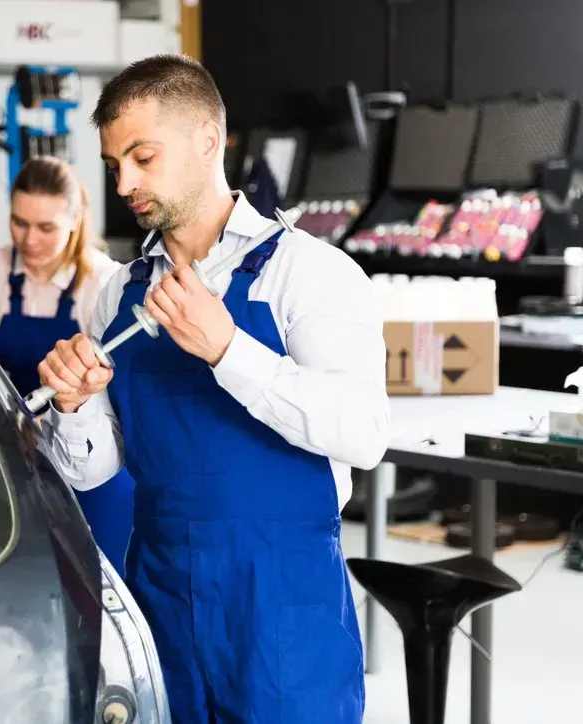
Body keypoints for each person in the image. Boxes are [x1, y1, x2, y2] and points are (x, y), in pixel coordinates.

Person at [37, 55, 390, 724]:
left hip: (281, 602)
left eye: (142, 157)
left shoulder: (308, 274)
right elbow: (94, 469)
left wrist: (229, 350)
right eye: (115, 165)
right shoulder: (118, 295)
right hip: (160, 588)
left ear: (206, 140)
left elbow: (364, 434)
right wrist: (72, 404)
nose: (125, 182)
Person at [0, 155, 136, 577]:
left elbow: (118, 394)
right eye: (19, 222)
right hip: (7, 460)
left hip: (89, 467)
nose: (29, 239)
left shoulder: (105, 283)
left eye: (46, 227)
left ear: (75, 221)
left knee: (94, 580)